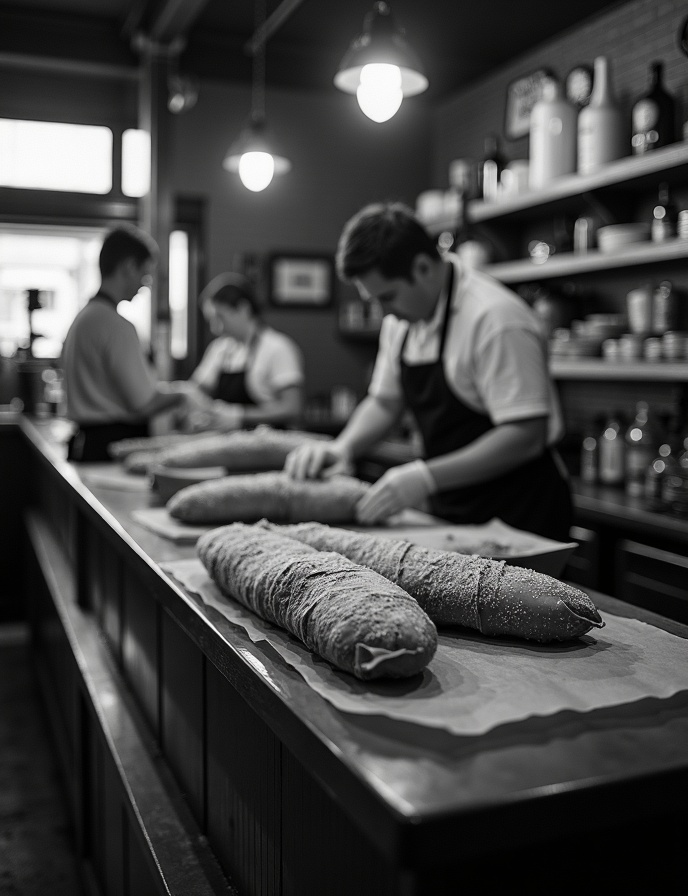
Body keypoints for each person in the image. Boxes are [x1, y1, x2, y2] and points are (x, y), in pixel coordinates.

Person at [285, 202, 572, 541]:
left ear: (422, 267)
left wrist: (425, 477)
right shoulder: (402, 322)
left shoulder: (495, 319)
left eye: (388, 297)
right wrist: (343, 448)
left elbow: (524, 436)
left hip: (521, 513)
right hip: (456, 508)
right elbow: (385, 402)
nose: (384, 313)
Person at [61, 225, 200, 462]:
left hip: (86, 441)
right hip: (112, 445)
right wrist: (183, 394)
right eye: (145, 276)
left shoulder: (84, 317)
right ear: (128, 267)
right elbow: (143, 404)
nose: (145, 286)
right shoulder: (116, 325)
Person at [180, 272, 305, 432]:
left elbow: (293, 408)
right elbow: (195, 390)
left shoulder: (278, 348)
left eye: (220, 317)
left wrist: (240, 416)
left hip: (266, 446)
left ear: (243, 309)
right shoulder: (219, 349)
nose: (215, 328)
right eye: (211, 321)